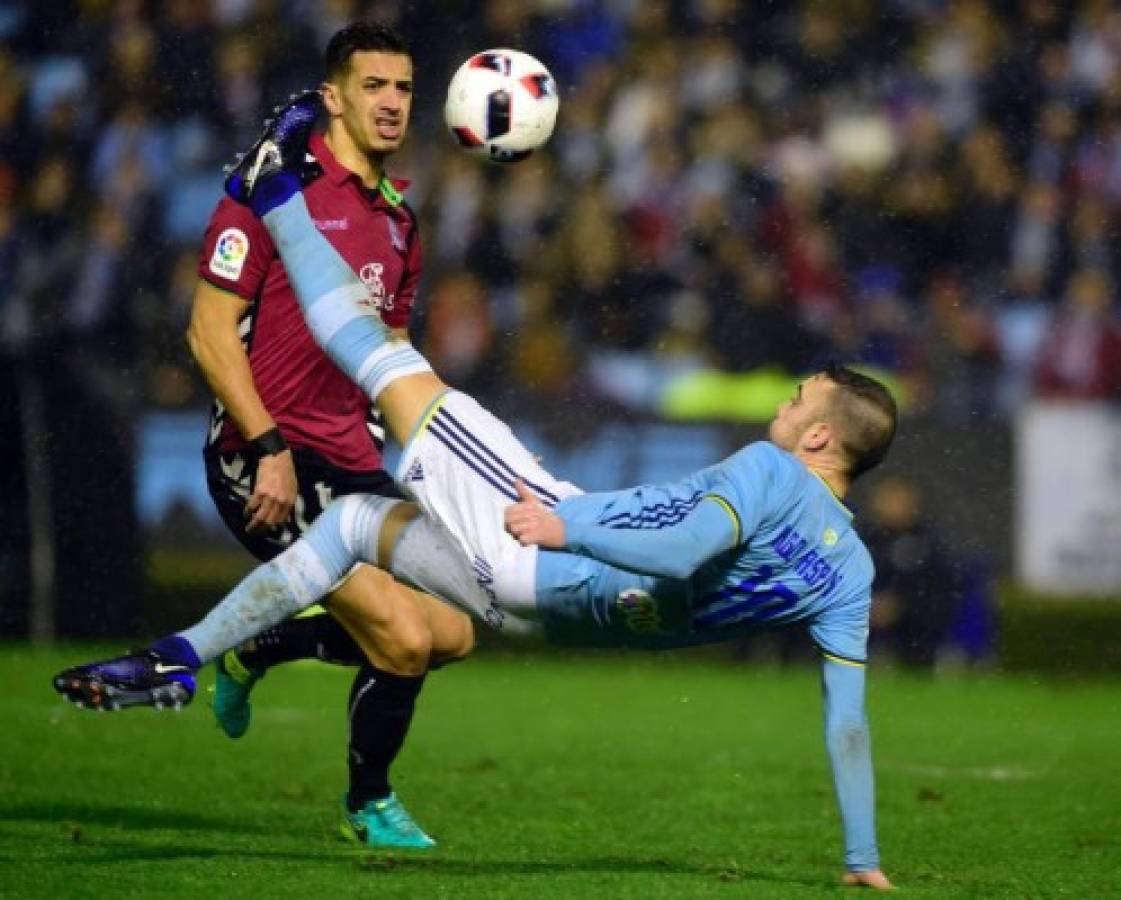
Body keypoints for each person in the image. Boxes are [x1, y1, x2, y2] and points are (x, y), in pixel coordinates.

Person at [54, 93, 894, 889]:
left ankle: (272, 186)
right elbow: (845, 724)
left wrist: (569, 531)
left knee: (375, 354)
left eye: (797, 403)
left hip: (540, 538)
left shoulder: (773, 470)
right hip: (541, 614)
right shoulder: (849, 575)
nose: (784, 408)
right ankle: (184, 657)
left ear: (820, 437)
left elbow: (683, 551)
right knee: (349, 525)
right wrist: (860, 857)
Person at [186, 23, 473, 848]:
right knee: (404, 636)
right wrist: (267, 444)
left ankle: (258, 649)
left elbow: (383, 354)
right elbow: (208, 333)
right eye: (373, 86)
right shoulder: (271, 195)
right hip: (264, 455)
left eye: (403, 88)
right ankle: (366, 802)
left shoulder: (397, 220)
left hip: (352, 457)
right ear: (333, 97)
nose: (391, 103)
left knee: (454, 626)